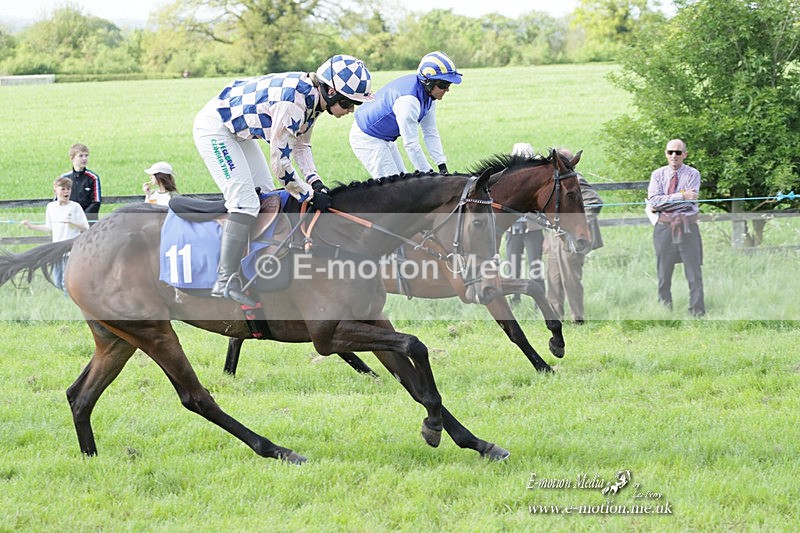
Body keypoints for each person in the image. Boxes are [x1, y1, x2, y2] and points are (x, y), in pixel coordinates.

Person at [193, 54, 373, 305]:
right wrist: (307, 193)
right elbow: (280, 164)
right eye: (347, 102)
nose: (351, 109)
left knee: (268, 198)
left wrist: (315, 181)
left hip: (239, 131)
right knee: (244, 203)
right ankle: (224, 279)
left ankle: (257, 267)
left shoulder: (313, 98)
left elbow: (301, 147)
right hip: (216, 128)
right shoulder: (295, 104)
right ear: (331, 91)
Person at [349, 51, 461, 178]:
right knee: (394, 189)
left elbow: (430, 131)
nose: (447, 89)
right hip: (367, 137)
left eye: (449, 84)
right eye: (443, 85)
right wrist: (429, 176)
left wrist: (442, 167)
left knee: (403, 181)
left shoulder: (429, 96)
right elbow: (411, 144)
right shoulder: (409, 102)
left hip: (385, 137)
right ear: (428, 82)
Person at [544, 148, 604, 324]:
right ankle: (555, 318)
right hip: (556, 237)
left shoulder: (576, 179)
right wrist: (548, 237)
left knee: (571, 279)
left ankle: (578, 319)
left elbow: (594, 202)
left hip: (572, 239)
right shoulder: (557, 182)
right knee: (553, 280)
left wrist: (575, 225)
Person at [646, 138, 704, 317]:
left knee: (694, 273)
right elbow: (653, 202)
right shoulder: (657, 175)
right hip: (663, 228)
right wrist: (680, 196)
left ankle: (697, 312)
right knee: (663, 273)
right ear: (665, 153)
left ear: (684, 154)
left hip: (687, 227)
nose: (674, 156)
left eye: (678, 152)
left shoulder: (693, 174)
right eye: (670, 152)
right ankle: (665, 311)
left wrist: (664, 202)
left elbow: (691, 201)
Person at [21, 177, 89, 295]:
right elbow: (49, 227)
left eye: (68, 189)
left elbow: (86, 227)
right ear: (55, 191)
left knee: (66, 281)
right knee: (57, 281)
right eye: (63, 189)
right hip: (57, 250)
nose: (66, 192)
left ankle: (69, 302)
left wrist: (72, 222)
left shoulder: (75, 207)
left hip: (70, 249)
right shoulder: (51, 207)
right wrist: (31, 226)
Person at [504, 143, 545, 304]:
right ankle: (515, 299)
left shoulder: (535, 177)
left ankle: (539, 300)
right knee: (512, 264)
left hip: (533, 228)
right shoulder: (508, 176)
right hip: (513, 228)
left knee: (535, 265)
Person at [61, 143, 101, 224]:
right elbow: (58, 200)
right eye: (81, 156)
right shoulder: (64, 178)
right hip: (69, 221)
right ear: (72, 158)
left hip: (88, 222)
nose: (84, 158)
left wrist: (81, 218)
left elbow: (96, 202)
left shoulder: (93, 178)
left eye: (86, 155)